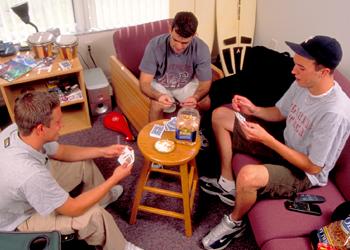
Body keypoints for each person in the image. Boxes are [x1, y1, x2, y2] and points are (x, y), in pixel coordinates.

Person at [200, 35, 350, 250]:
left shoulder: (335, 112)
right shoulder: (303, 83)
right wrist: (253, 110)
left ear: (323, 72)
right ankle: (226, 183)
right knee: (220, 116)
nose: (293, 71)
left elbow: (313, 166)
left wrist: (267, 139)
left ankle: (234, 222)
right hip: (285, 144)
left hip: (303, 172)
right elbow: (280, 111)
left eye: (300, 67)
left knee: (248, 176)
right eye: (295, 65)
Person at [0, 91, 142, 250]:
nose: (62, 125)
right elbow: (72, 208)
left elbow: (62, 152)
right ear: (40, 129)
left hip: (25, 189)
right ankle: (121, 247)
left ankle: (103, 198)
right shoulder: (30, 174)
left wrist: (104, 151)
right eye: (58, 122)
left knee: (83, 163)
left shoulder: (20, 129)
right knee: (95, 215)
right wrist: (114, 179)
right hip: (19, 219)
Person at [139, 11, 212, 122]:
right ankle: (154, 136)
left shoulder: (202, 48)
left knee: (205, 102)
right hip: (160, 83)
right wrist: (158, 96)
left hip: (185, 83)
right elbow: (144, 83)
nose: (178, 46)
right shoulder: (154, 45)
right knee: (157, 104)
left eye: (184, 43)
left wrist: (195, 98)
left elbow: (205, 84)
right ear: (170, 29)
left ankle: (199, 130)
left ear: (194, 35)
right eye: (175, 39)